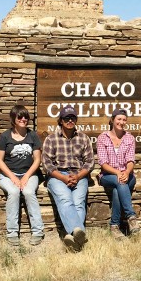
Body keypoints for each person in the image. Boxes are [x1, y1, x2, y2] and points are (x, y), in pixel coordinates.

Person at [42, 106, 94, 251]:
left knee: (78, 203)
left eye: (72, 118)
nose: (70, 121)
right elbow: (47, 164)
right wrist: (63, 178)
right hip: (58, 176)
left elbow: (90, 162)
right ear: (60, 120)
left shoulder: (83, 138)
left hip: (79, 175)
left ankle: (72, 237)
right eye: (67, 118)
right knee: (65, 199)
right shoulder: (51, 139)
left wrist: (77, 176)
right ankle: (78, 233)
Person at [0, 104, 44, 247]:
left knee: (29, 192)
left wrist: (26, 176)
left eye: (26, 117)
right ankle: (12, 233)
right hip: (8, 174)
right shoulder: (4, 136)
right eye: (20, 117)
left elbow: (37, 160)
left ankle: (37, 231)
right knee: (14, 192)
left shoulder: (32, 135)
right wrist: (13, 177)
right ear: (13, 119)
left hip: (29, 173)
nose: (23, 119)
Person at [97, 108, 140, 240]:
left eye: (124, 120)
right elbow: (103, 163)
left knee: (118, 188)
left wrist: (126, 172)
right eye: (119, 119)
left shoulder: (129, 138)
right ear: (112, 120)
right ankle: (131, 216)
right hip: (108, 175)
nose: (121, 122)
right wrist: (118, 172)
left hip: (127, 174)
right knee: (120, 181)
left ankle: (114, 226)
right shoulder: (103, 138)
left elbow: (131, 160)